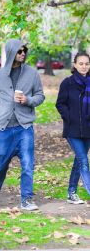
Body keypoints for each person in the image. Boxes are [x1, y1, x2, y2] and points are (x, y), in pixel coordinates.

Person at [0, 39, 45, 210]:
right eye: (19, 51)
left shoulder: (32, 73)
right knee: (0, 166)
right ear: (12, 52)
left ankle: (26, 199)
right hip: (4, 128)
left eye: (24, 50)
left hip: (24, 127)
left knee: (27, 165)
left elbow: (40, 96)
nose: (23, 54)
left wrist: (28, 100)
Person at [56, 52, 90, 204]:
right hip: (73, 130)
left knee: (78, 160)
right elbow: (60, 103)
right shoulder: (67, 83)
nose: (84, 66)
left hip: (88, 129)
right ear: (75, 65)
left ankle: (71, 193)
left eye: (87, 64)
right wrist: (68, 117)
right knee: (83, 160)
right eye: (81, 63)